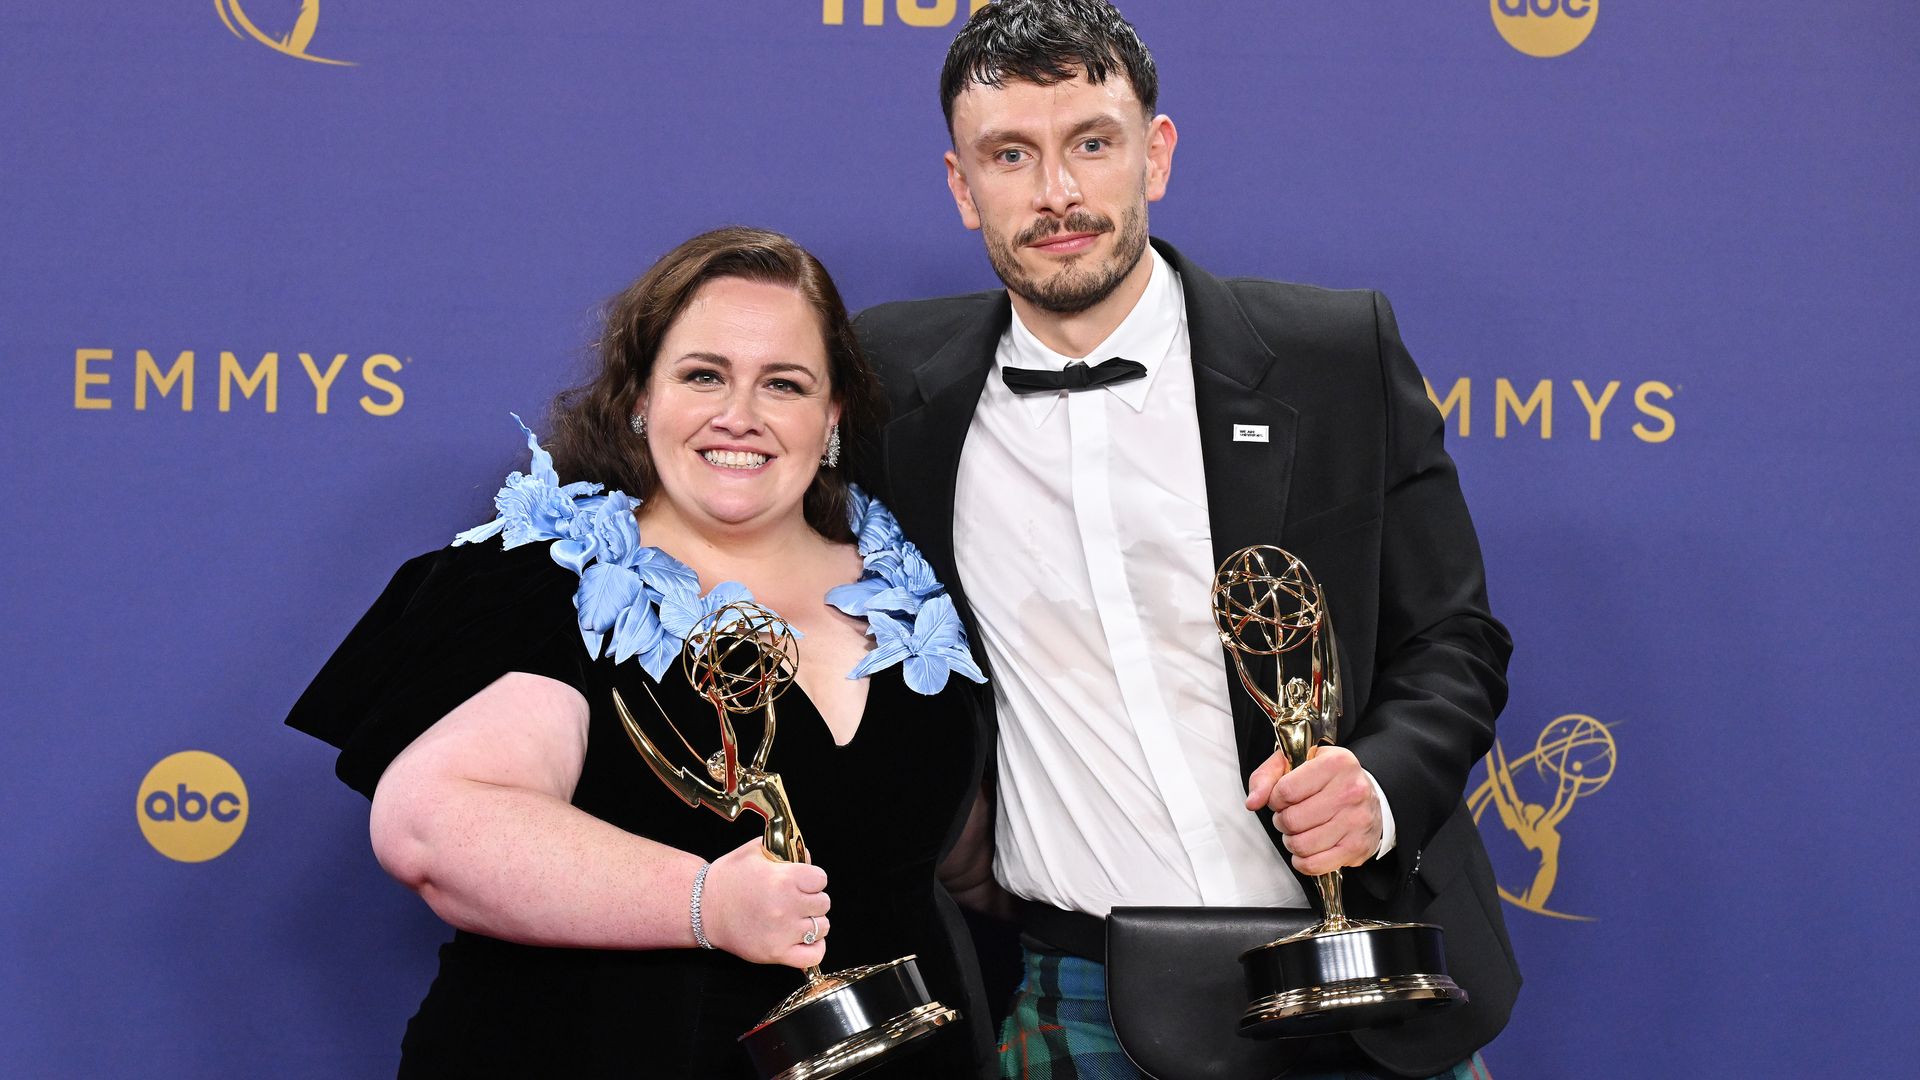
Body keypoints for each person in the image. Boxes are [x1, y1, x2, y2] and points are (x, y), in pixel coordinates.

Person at [848, 3, 1521, 1078]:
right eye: (1010, 155)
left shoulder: (1333, 354)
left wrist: (1379, 788)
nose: (1057, 193)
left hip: (1361, 966)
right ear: (959, 183)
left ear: (1154, 155)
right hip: (1082, 984)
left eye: (1092, 144)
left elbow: (1454, 636)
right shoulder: (892, 390)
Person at [286, 227, 996, 1078]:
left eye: (785, 383)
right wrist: (704, 903)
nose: (740, 415)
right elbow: (433, 830)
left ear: (832, 414)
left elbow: (957, 850)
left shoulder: (913, 583)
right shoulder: (544, 583)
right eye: (703, 376)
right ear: (638, 399)